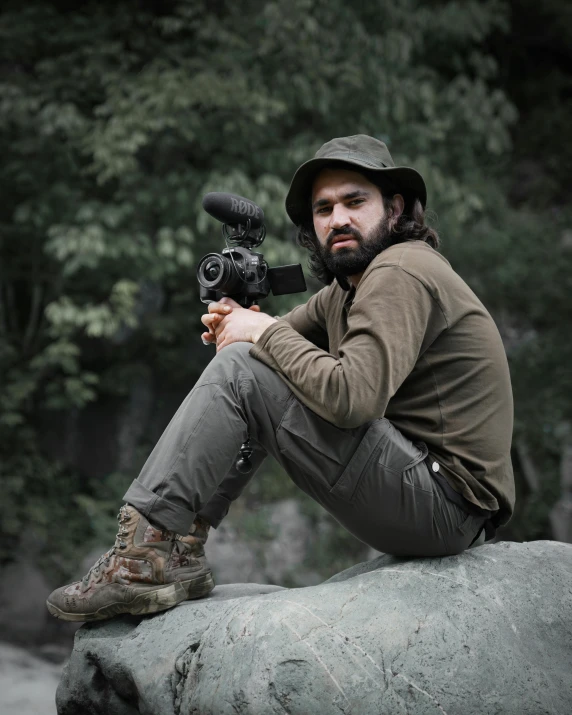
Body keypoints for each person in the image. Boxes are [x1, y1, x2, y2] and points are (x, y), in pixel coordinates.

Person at [46, 134, 515, 623]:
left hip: (444, 503)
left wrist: (259, 332)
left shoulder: (401, 269)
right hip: (430, 498)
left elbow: (353, 398)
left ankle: (142, 559)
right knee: (248, 362)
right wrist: (234, 325)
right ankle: (179, 549)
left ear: (395, 209)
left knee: (246, 366)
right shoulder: (346, 290)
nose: (338, 219)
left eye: (355, 202)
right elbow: (268, 354)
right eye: (324, 209)